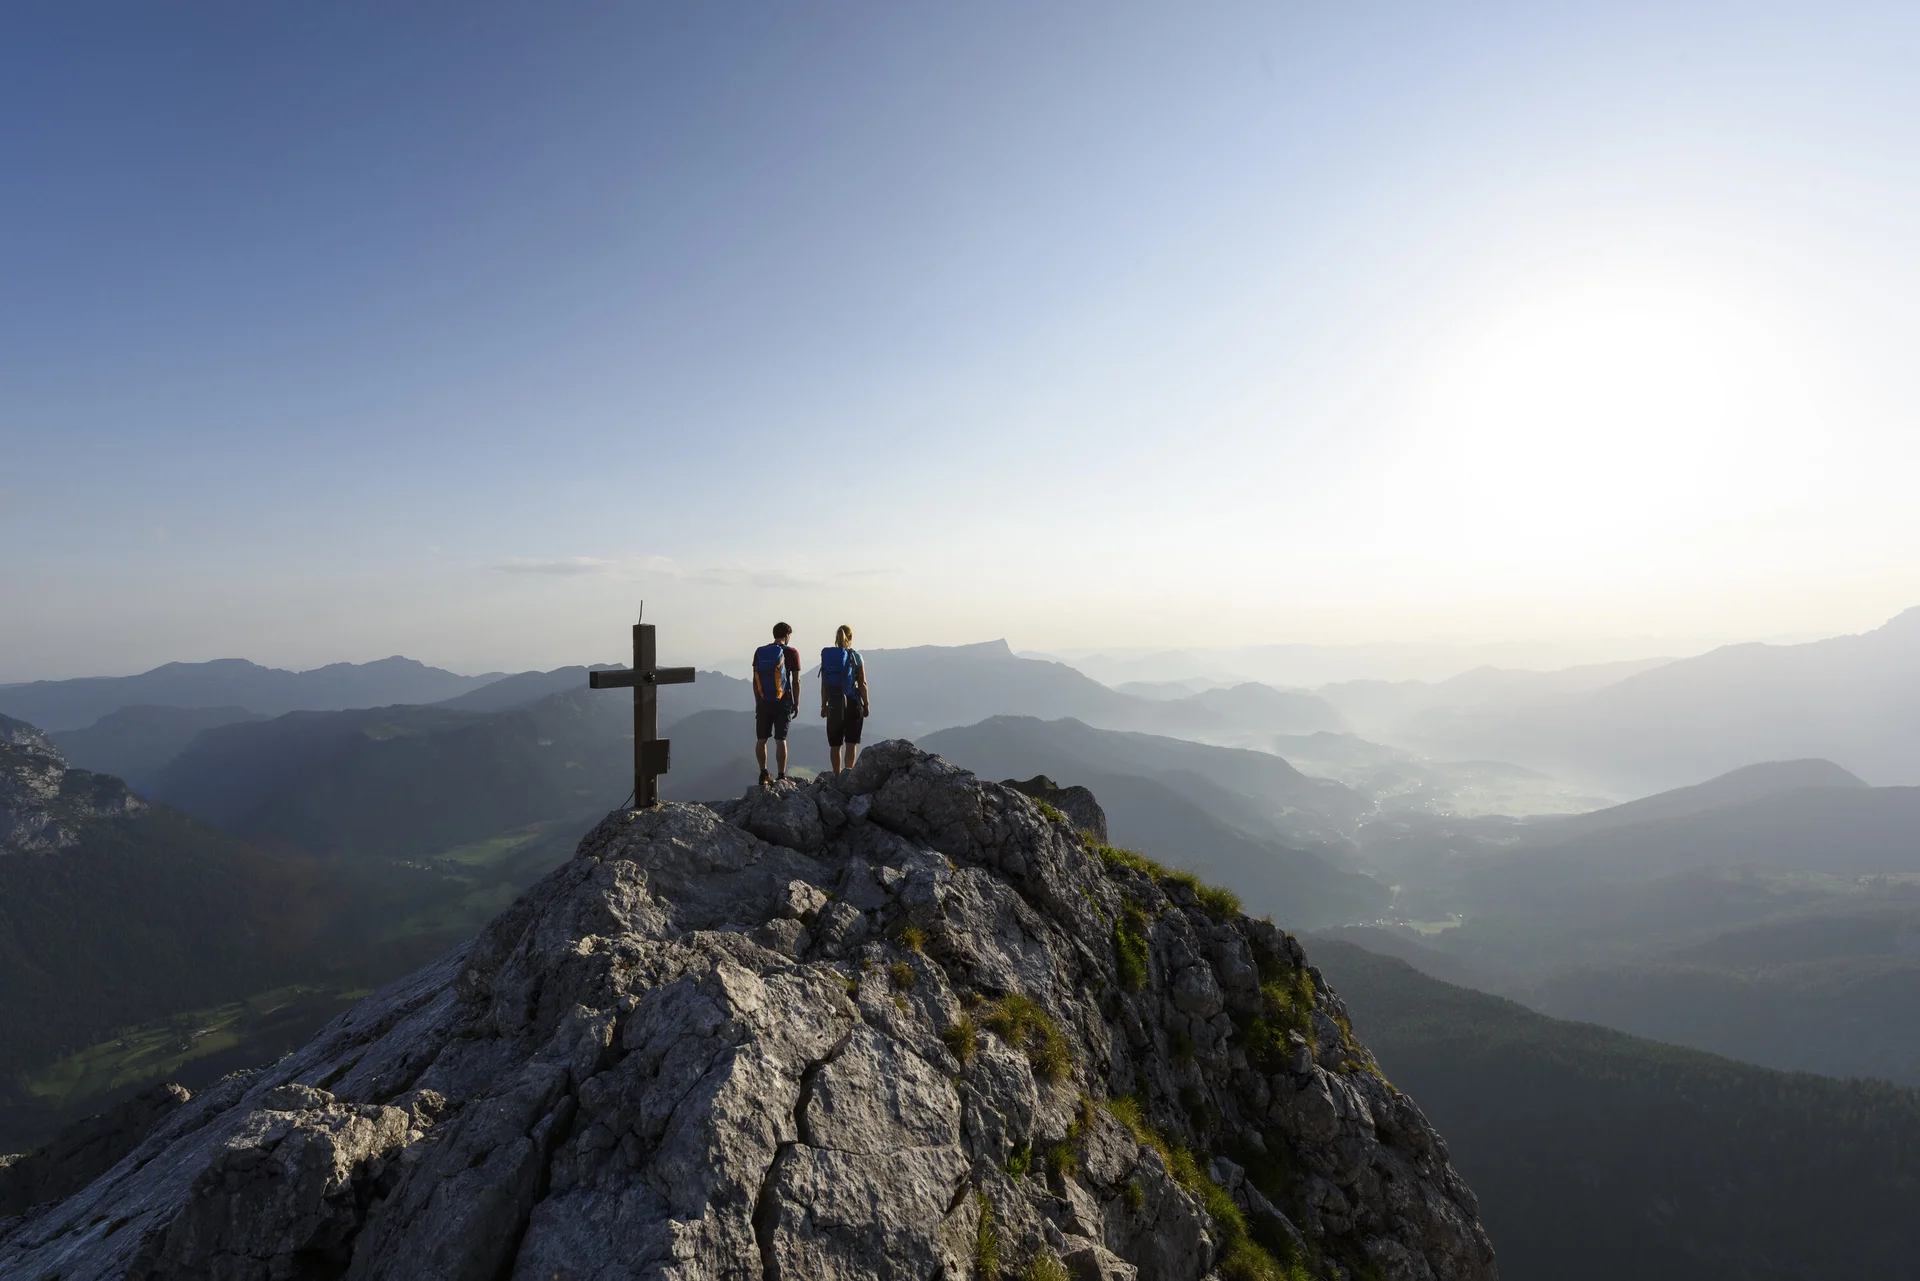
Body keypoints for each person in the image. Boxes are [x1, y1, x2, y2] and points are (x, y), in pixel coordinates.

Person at [752, 622, 801, 786]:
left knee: (762, 739)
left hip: (764, 700)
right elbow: (796, 681)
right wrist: (797, 702)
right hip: (784, 700)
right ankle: (781, 775)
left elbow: (755, 679)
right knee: (781, 739)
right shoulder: (792, 653)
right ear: (787, 635)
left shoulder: (760, 652)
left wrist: (758, 701)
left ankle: (763, 772)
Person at [818, 623, 869, 777]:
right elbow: (862, 683)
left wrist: (824, 705)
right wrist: (866, 704)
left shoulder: (828, 658)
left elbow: (824, 685)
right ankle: (848, 776)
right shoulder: (856, 657)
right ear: (851, 638)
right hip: (853, 702)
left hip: (834, 702)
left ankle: (836, 776)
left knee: (835, 744)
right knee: (851, 743)